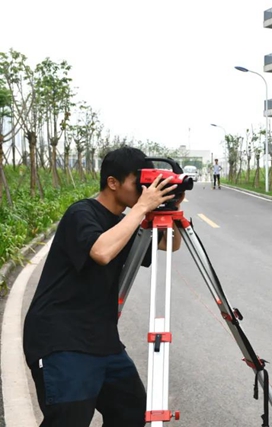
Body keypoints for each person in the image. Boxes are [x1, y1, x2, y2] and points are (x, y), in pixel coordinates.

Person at [23, 146, 184, 427]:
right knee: (69, 421)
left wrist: (173, 206)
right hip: (61, 339)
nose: (146, 189)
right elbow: (101, 252)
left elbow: (168, 244)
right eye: (140, 182)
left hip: (103, 341)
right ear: (113, 182)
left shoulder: (126, 223)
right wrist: (143, 209)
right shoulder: (81, 213)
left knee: (132, 413)